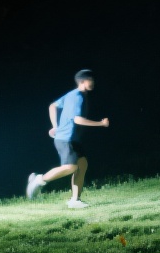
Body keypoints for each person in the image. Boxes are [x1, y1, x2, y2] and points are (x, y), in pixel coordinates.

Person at [26, 69, 110, 209]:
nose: (93, 82)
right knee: (71, 167)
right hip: (66, 139)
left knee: (82, 165)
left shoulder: (71, 95)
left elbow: (52, 106)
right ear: (84, 81)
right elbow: (77, 119)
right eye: (91, 80)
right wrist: (101, 123)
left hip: (72, 139)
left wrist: (55, 126)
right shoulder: (78, 97)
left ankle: (75, 200)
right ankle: (39, 180)